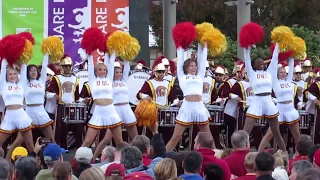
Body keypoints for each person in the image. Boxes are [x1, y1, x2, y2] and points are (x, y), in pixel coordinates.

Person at [7, 55, 56, 160]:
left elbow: (44, 66)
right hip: (29, 113)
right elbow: (23, 67)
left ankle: (57, 159)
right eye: (31, 71)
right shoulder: (24, 82)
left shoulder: (41, 81)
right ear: (27, 73)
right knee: (19, 141)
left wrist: (47, 53)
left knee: (52, 139)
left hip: (42, 113)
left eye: (35, 70)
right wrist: (25, 56)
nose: (34, 72)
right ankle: (7, 159)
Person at [166, 44, 213, 152]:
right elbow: (181, 59)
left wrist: (203, 46)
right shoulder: (182, 76)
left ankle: (215, 157)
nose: (194, 67)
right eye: (191, 66)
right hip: (187, 107)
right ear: (186, 67)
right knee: (176, 136)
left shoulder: (200, 75)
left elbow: (202, 59)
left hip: (200, 107)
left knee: (208, 137)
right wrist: (180, 45)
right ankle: (161, 159)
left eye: (195, 66)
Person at [242, 43, 286, 152]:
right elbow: (247, 59)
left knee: (276, 132)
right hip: (256, 102)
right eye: (258, 62)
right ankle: (240, 154)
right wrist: (246, 47)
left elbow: (275, 57)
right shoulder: (252, 73)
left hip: (268, 101)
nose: (261, 63)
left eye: (262, 61)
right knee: (245, 132)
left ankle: (285, 154)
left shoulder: (269, 72)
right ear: (254, 65)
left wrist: (278, 44)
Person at [93, 60, 138, 159]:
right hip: (115, 110)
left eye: (120, 72)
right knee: (107, 138)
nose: (119, 74)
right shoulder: (109, 82)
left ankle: (139, 158)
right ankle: (94, 158)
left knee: (135, 138)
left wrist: (124, 58)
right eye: (116, 72)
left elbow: (127, 66)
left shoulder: (124, 80)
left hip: (126, 109)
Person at [258, 57, 300, 152]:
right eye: (281, 72)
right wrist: (277, 55)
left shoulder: (289, 81)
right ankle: (258, 153)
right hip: (280, 109)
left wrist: (291, 55)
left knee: (297, 135)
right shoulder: (275, 82)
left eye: (284, 72)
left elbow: (291, 64)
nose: (283, 74)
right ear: (277, 74)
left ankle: (300, 155)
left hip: (290, 109)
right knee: (270, 134)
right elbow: (273, 67)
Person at [81, 52, 123, 147]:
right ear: (95, 71)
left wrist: (113, 50)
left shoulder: (109, 79)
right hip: (98, 112)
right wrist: (89, 52)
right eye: (99, 69)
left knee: (119, 141)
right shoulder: (92, 80)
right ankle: (76, 160)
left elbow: (111, 63)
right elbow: (91, 65)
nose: (102, 71)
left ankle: (122, 160)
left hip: (111, 112)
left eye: (104, 69)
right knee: (88, 141)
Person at [46, 55, 82, 148]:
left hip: (73, 106)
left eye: (69, 66)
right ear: (62, 67)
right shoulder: (57, 78)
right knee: (60, 128)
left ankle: (79, 148)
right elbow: (47, 92)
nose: (68, 68)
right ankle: (61, 148)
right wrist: (54, 95)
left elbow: (77, 96)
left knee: (77, 128)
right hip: (61, 106)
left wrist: (83, 100)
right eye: (66, 66)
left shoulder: (76, 79)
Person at [0, 59, 34, 153]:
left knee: (30, 146)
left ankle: (37, 165)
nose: (12, 76)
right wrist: (6, 55)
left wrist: (23, 55)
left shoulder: (21, 84)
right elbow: (3, 67)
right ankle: (5, 162)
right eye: (10, 74)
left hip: (22, 116)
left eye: (14, 74)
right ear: (6, 76)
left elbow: (24, 67)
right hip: (9, 117)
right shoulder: (3, 85)